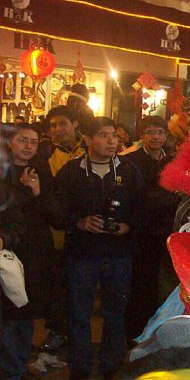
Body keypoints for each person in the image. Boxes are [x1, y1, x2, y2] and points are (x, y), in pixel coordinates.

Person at [53, 117, 144, 379]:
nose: (111, 141)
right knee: (79, 312)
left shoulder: (128, 171)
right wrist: (79, 222)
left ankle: (111, 364)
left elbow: (141, 210)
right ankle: (80, 365)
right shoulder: (72, 172)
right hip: (81, 254)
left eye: (114, 135)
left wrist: (127, 227)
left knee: (115, 312)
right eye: (103, 135)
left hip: (118, 254)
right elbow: (57, 212)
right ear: (88, 139)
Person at [0, 124, 56, 379]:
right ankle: (13, 367)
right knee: (9, 311)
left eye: (33, 141)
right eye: (23, 140)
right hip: (7, 249)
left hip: (34, 251)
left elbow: (55, 215)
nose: (28, 146)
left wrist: (36, 192)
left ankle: (18, 365)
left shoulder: (41, 171)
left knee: (25, 310)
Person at [124, 116, 179, 341]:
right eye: (150, 132)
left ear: (166, 136)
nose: (155, 137)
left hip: (165, 235)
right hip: (141, 234)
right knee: (140, 286)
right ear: (142, 135)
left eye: (159, 132)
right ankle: (135, 335)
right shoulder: (131, 161)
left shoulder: (173, 161)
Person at [37, 106, 87, 352]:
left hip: (86, 232)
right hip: (57, 233)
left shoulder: (89, 150)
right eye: (53, 126)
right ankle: (58, 331)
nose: (57, 130)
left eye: (62, 124)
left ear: (75, 124)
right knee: (58, 286)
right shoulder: (44, 155)